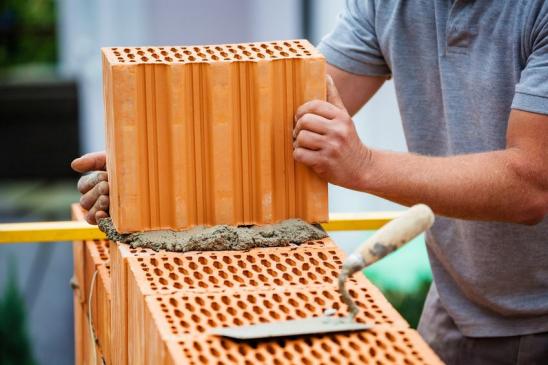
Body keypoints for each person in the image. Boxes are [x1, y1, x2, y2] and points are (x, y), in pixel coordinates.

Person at [73, 1, 548, 363]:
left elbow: (530, 184)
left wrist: (363, 167)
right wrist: (149, 170)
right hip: (457, 301)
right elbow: (284, 111)